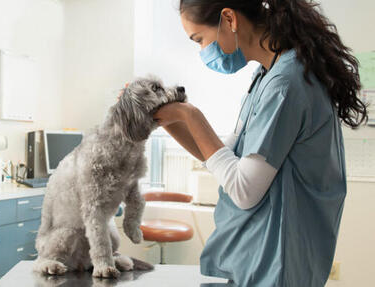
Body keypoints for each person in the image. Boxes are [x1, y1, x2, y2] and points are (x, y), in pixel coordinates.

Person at [152, 0, 368, 286]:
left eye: (200, 39)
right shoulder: (266, 75)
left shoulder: (286, 84)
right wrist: (166, 119)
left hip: (277, 265)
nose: (203, 51)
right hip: (257, 260)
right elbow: (223, 156)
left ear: (229, 19)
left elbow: (244, 189)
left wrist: (189, 115)